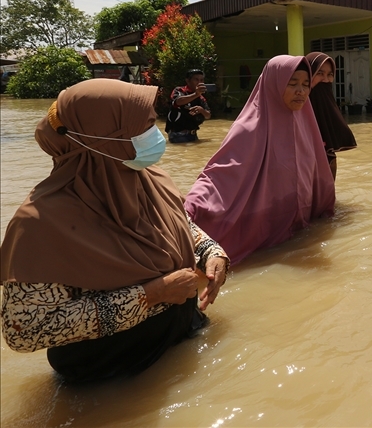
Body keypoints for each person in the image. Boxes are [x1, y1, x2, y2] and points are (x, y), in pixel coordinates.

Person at [0, 79, 229, 384]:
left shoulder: (148, 178)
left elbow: (179, 224)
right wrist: (150, 295)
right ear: (105, 138)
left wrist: (212, 253)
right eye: (144, 126)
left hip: (181, 334)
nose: (155, 134)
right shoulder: (38, 223)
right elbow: (25, 331)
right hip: (107, 370)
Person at [186, 55, 335, 265]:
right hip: (265, 230)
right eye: (292, 84)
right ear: (274, 85)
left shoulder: (305, 122)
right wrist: (191, 206)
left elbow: (318, 172)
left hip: (298, 230)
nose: (301, 91)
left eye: (305, 84)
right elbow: (219, 174)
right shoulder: (248, 128)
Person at [306, 52, 357, 179]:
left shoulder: (328, 108)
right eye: (319, 73)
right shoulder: (296, 110)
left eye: (330, 75)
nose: (326, 80)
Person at [166, 69, 212, 143]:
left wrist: (201, 110)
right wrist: (196, 94)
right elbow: (177, 102)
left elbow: (208, 116)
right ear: (188, 81)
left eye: (201, 80)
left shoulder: (201, 97)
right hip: (178, 135)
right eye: (196, 80)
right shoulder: (179, 90)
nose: (199, 83)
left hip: (193, 134)